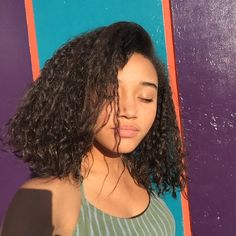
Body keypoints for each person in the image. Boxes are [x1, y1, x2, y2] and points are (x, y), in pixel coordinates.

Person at [1, 21, 187, 236]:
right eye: (110, 94)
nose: (129, 110)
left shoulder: (140, 180)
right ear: (78, 96)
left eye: (146, 98)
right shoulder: (44, 198)